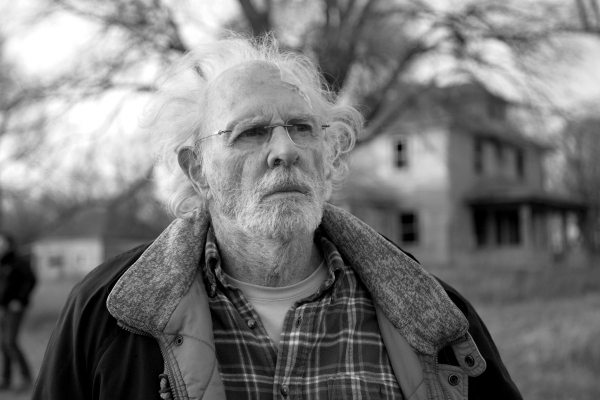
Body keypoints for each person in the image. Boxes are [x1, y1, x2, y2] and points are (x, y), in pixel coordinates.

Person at [33, 35, 522, 400]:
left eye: (303, 128)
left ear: (328, 155)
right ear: (197, 169)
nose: (286, 150)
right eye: (250, 132)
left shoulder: (435, 316)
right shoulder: (106, 316)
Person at [0, 232, 36, 392]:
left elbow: (31, 280)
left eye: (1, 243)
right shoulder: (2, 263)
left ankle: (26, 378)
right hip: (3, 308)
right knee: (3, 344)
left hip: (15, 308)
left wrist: (19, 299)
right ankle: (6, 379)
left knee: (10, 342)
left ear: (9, 244)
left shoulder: (18, 261)